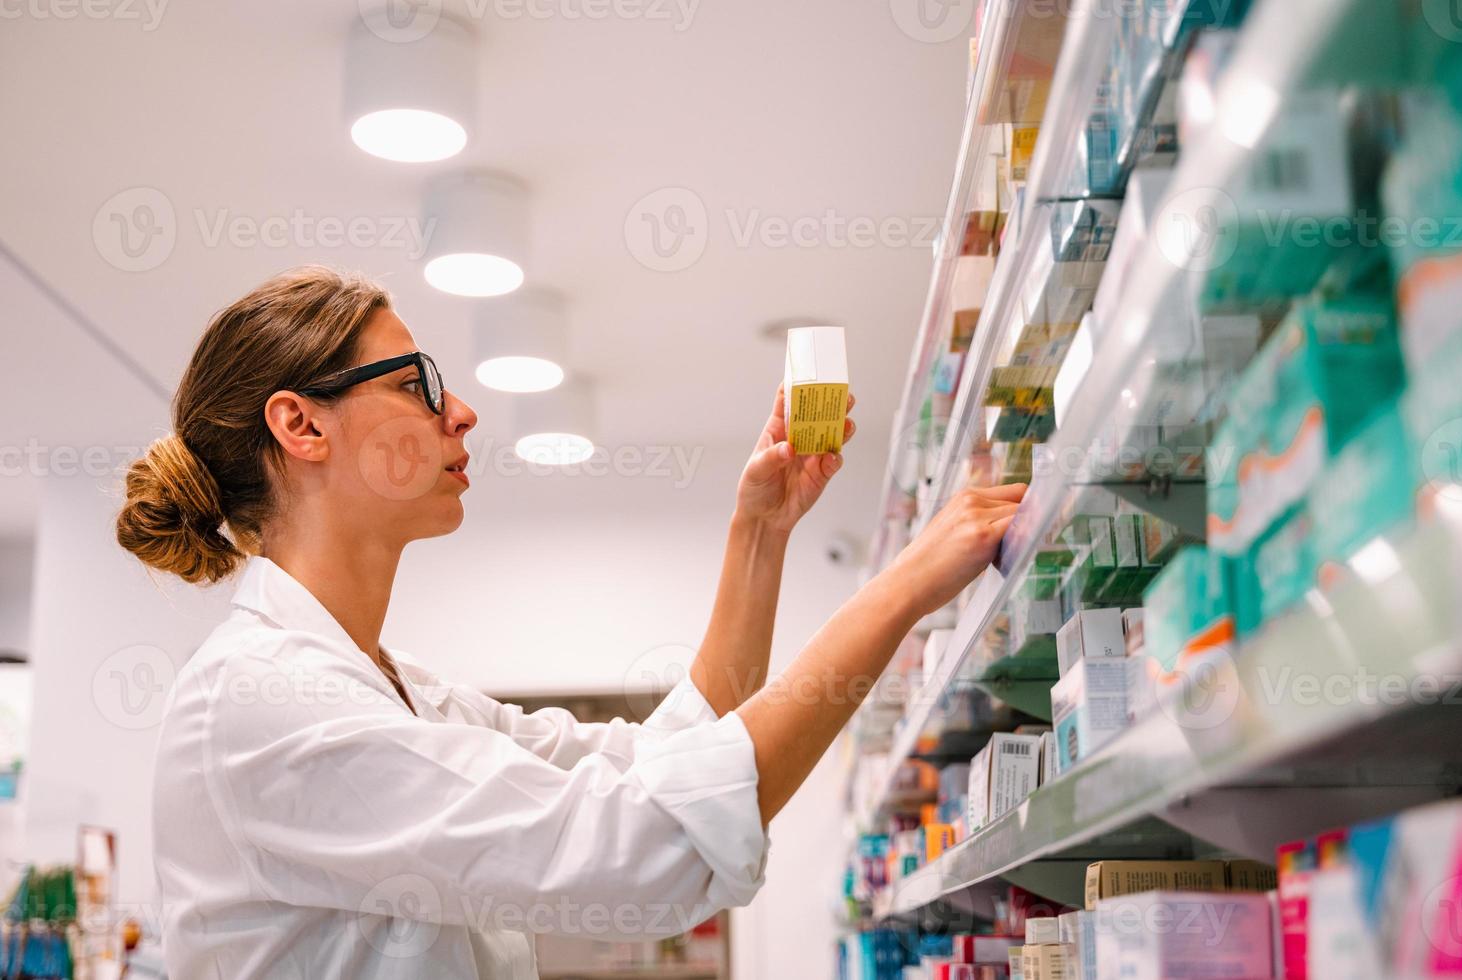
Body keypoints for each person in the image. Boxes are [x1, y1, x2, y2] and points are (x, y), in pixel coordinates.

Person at [115, 266, 1023, 978]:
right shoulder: (265, 705)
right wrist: (898, 592)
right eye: (416, 382)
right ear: (300, 425)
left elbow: (661, 760)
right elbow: (647, 849)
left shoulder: (399, 695)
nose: (460, 412)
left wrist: (761, 533)